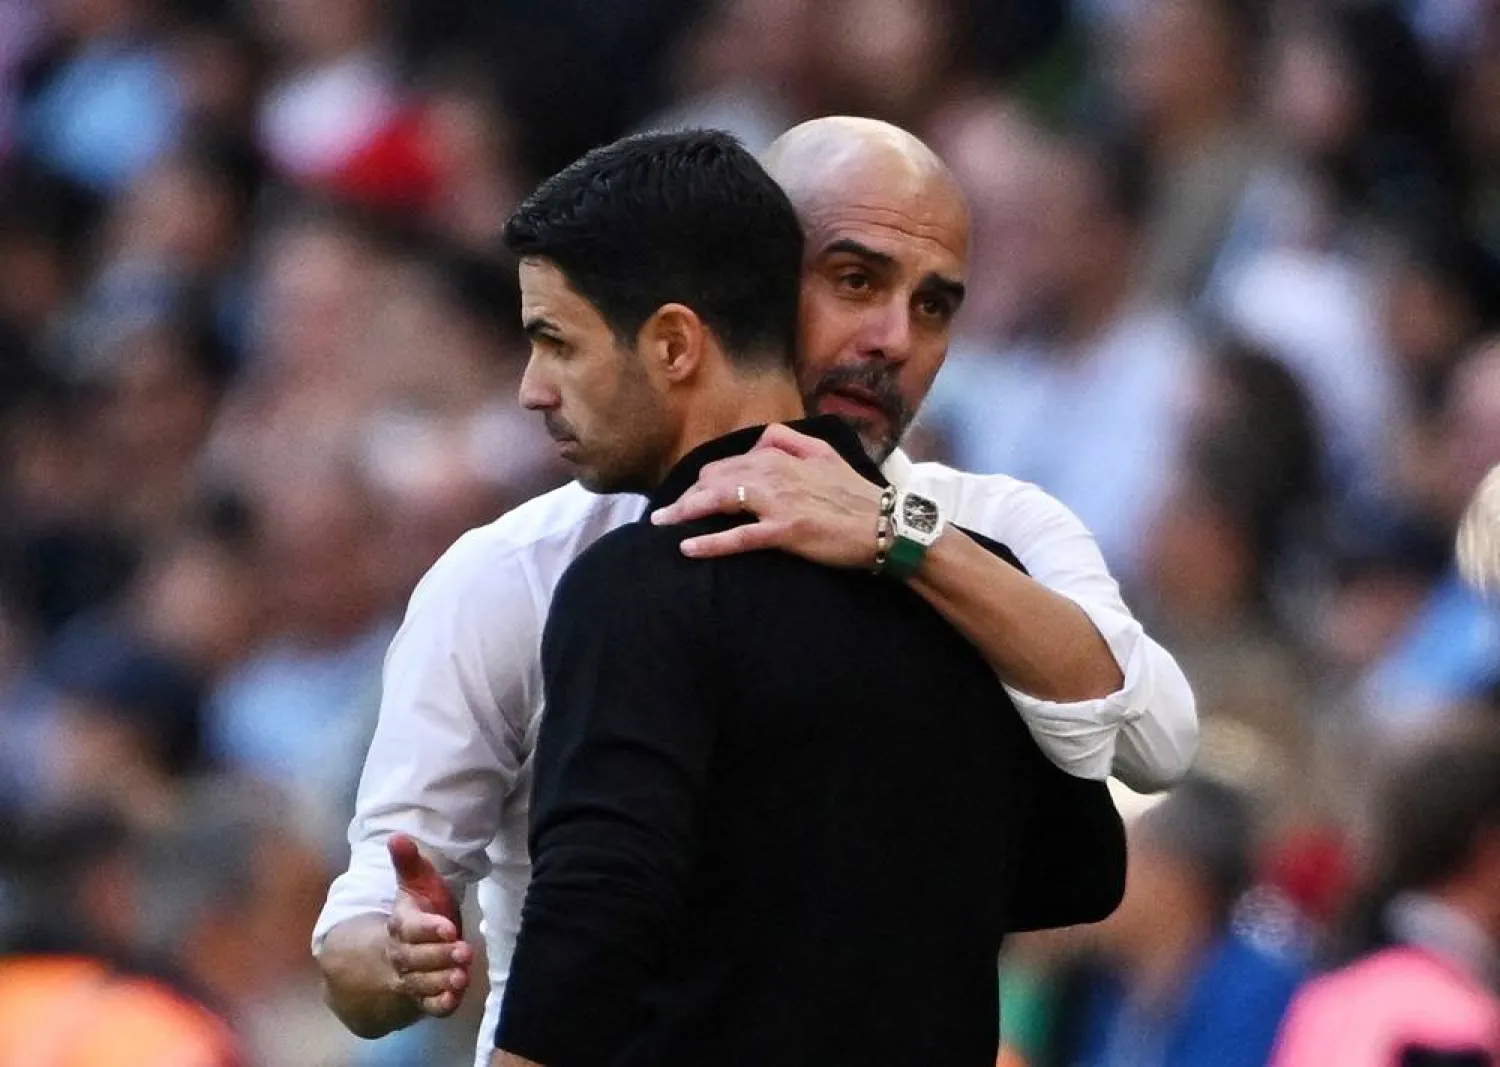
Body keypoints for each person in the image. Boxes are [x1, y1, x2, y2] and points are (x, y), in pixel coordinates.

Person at [313, 117, 1198, 1064]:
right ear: (756, 273)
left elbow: (1155, 744)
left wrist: (899, 540)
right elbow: (382, 924)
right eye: (854, 280)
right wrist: (390, 957)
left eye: (936, 307)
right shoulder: (519, 570)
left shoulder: (980, 541)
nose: (894, 339)